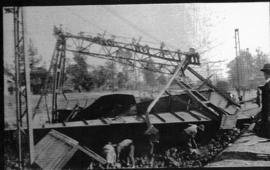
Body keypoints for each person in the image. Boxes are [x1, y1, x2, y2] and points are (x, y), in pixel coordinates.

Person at [256, 64, 270, 138]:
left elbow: (267, 102)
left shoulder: (268, 84)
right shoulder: (267, 84)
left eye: (265, 73)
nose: (264, 75)